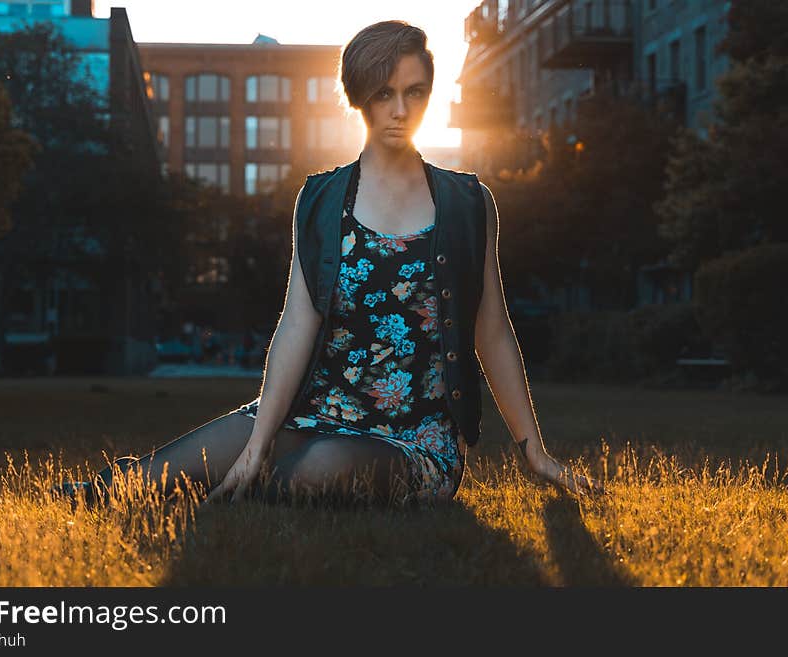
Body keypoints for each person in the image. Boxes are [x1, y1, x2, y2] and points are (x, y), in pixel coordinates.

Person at [55, 20, 603, 510]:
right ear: (358, 97)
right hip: (316, 412)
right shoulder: (319, 199)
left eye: (415, 92)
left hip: (414, 439)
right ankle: (117, 488)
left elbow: (493, 330)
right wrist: (259, 439)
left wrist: (537, 455)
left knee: (317, 474)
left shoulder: (468, 202)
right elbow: (298, 323)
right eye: (383, 93)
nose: (400, 109)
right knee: (171, 470)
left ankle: (266, 477)